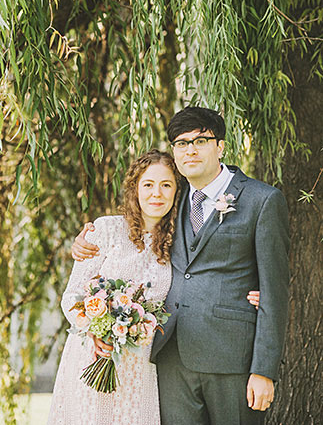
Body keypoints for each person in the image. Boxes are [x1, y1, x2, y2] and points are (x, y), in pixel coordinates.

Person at [72, 106, 288, 425]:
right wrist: (87, 240)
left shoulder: (261, 200)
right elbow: (135, 233)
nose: (190, 149)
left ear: (221, 146)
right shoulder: (172, 195)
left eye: (200, 140)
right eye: (181, 143)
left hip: (233, 358)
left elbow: (275, 291)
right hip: (170, 357)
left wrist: (263, 370)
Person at [50, 147, 260, 425]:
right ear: (135, 189)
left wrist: (253, 291)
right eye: (148, 184)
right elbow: (71, 296)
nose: (156, 193)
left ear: (177, 192)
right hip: (94, 354)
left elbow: (212, 271)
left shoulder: (180, 242)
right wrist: (94, 330)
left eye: (166, 185)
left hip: (141, 367)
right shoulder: (106, 230)